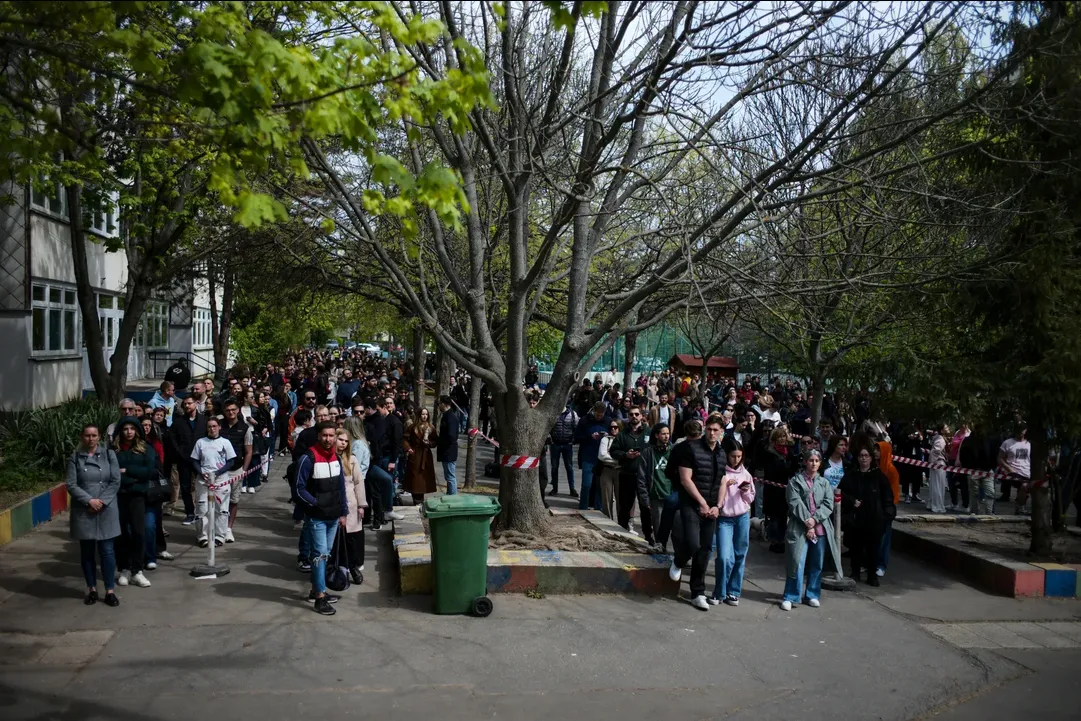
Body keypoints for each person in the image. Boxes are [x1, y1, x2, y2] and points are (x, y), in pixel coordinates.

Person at [670, 413, 726, 611]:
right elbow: (685, 479)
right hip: (691, 504)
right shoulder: (691, 449)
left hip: (711, 508)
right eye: (709, 429)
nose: (711, 433)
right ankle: (678, 561)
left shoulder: (721, 453)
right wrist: (701, 502)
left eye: (715, 430)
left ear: (721, 432)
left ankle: (697, 592)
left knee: (704, 550)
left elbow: (722, 481)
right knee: (693, 543)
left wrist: (717, 506)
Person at [294, 421, 349, 615]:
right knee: (319, 555)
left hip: (334, 517)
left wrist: (344, 512)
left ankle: (317, 589)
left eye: (331, 435)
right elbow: (299, 489)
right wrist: (316, 503)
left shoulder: (336, 458)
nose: (328, 439)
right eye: (325, 435)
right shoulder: (308, 458)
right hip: (316, 518)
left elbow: (341, 487)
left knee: (324, 554)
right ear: (318, 436)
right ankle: (320, 597)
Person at [66, 425, 122, 607]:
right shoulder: (75, 458)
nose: (91, 439)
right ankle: (91, 588)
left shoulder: (109, 455)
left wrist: (101, 502)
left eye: (94, 435)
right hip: (84, 510)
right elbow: (71, 484)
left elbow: (115, 481)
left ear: (99, 437)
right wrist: (89, 501)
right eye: (87, 435)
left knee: (107, 551)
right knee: (87, 552)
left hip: (106, 509)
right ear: (82, 437)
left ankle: (110, 590)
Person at [780, 448, 836, 611]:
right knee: (796, 561)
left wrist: (815, 519)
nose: (813, 463)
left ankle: (812, 593)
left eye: (817, 461)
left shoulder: (824, 483)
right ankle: (791, 595)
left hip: (820, 528)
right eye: (810, 460)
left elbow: (828, 503)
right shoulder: (795, 481)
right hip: (799, 526)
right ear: (805, 462)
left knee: (817, 563)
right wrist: (807, 521)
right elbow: (794, 502)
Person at [839, 442, 896, 586]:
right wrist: (851, 501)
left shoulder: (879, 477)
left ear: (871, 458)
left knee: (873, 549)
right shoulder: (851, 475)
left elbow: (888, 499)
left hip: (874, 519)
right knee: (856, 547)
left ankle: (872, 575)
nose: (863, 459)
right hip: (856, 519)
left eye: (866, 456)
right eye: (861, 456)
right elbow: (841, 492)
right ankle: (855, 572)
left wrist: (886, 517)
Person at [112, 417, 157, 589]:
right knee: (122, 533)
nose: (129, 432)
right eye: (125, 429)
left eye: (132, 428)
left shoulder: (145, 449)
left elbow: (149, 471)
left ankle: (137, 570)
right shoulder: (114, 451)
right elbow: (113, 474)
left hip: (138, 497)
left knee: (139, 532)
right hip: (119, 496)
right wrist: (131, 478)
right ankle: (124, 568)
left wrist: (128, 471)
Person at [711, 436, 755, 606]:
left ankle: (733, 591)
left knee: (739, 555)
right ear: (726, 455)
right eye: (733, 456)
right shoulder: (721, 471)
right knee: (724, 557)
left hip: (742, 517)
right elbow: (714, 494)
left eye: (739, 456)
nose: (736, 460)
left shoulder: (746, 474)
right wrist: (724, 486)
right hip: (724, 519)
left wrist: (744, 491)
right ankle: (719, 591)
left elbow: (751, 497)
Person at [191, 416, 235, 548]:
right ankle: (202, 536)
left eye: (214, 426)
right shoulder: (200, 442)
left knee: (221, 509)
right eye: (209, 426)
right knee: (202, 509)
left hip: (220, 480)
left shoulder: (225, 442)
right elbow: (194, 460)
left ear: (219, 427)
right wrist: (200, 472)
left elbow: (231, 461)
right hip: (203, 480)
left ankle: (219, 536)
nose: (212, 429)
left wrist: (217, 473)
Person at [637, 423, 676, 551]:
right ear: (656, 435)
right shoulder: (648, 453)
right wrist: (645, 498)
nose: (666, 436)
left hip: (672, 496)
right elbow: (641, 478)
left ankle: (680, 556)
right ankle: (661, 551)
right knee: (659, 530)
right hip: (656, 496)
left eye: (667, 434)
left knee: (676, 529)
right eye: (663, 434)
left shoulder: (674, 451)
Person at [219, 399, 253, 542]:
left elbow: (248, 451)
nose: (231, 412)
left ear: (238, 410)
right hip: (219, 470)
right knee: (218, 501)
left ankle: (228, 529)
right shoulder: (219, 425)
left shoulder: (245, 428)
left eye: (233, 409)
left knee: (233, 500)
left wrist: (244, 470)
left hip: (236, 469)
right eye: (228, 410)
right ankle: (218, 528)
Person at [337, 428, 367, 586]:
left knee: (352, 540)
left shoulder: (352, 459)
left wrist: (362, 504)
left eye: (346, 441)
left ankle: (353, 567)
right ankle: (341, 568)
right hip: (334, 505)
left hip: (351, 504)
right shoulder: (329, 458)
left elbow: (358, 483)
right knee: (337, 541)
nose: (343, 443)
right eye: (340, 439)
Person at [170, 395, 207, 525]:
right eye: (184, 404)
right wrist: (179, 452)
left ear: (196, 404)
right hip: (184, 459)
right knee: (185, 488)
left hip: (201, 460)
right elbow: (173, 438)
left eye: (189, 403)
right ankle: (189, 513)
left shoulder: (204, 420)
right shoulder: (179, 421)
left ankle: (202, 512)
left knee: (202, 485)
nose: (187, 406)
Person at [760, 426, 797, 554]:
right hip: (773, 490)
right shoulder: (770, 453)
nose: (782, 439)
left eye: (783, 436)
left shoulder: (789, 452)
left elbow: (792, 468)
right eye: (779, 437)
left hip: (786, 489)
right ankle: (775, 541)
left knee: (783, 516)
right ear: (774, 439)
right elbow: (773, 471)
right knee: (775, 517)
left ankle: (781, 539)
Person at [575, 402, 610, 511]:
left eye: (601, 414)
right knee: (586, 484)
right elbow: (576, 437)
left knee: (599, 486)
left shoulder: (608, 421)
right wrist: (589, 436)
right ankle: (583, 507)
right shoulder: (585, 421)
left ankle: (598, 508)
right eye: (597, 414)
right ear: (593, 411)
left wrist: (607, 436)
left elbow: (615, 435)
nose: (599, 416)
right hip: (588, 456)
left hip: (602, 457)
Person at [875, 440, 901, 577]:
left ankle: (881, 565)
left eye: (878, 450)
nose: (875, 452)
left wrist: (889, 508)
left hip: (886, 509)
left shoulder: (891, 470)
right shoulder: (874, 467)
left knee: (885, 538)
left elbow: (895, 492)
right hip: (874, 508)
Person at [404, 408, 438, 504]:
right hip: (415, 455)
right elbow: (404, 438)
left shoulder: (431, 427)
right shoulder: (412, 427)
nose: (424, 416)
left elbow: (435, 441)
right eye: (423, 414)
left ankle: (420, 500)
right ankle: (417, 500)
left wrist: (429, 443)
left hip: (426, 455)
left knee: (423, 479)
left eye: (426, 414)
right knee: (415, 479)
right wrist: (408, 448)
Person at [999, 424, 1031, 514]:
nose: (1020, 431)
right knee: (1024, 486)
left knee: (1027, 489)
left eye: (1022, 429)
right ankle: (1020, 508)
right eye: (1018, 429)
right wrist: (1008, 468)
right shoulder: (1007, 443)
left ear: (1025, 430)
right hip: (1014, 471)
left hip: (1028, 472)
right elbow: (1000, 458)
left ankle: (1020, 507)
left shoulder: (1029, 443)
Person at [548, 402, 579, 497]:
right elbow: (548, 427)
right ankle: (555, 488)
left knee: (569, 467)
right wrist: (550, 439)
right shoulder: (552, 413)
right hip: (555, 444)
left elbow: (577, 428)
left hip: (567, 444)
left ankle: (572, 488)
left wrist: (573, 440)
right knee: (554, 467)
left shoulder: (573, 414)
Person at [596, 418, 623, 521]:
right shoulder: (605, 439)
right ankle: (608, 520)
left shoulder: (623, 439)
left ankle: (622, 522)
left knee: (620, 498)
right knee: (606, 497)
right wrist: (617, 459)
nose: (613, 429)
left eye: (615, 427)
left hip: (620, 471)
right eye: (611, 427)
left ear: (620, 428)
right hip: (606, 470)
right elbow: (602, 455)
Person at [436, 395, 460, 495]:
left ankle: (453, 496)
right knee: (448, 476)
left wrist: (442, 441)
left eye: (439, 404)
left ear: (443, 404)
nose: (438, 406)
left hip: (449, 451)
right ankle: (450, 494)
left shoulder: (451, 417)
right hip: (446, 451)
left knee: (450, 476)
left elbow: (452, 436)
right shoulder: (446, 416)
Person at [926, 423, 949, 514]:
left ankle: (933, 504)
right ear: (942, 430)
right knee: (938, 486)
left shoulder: (939, 438)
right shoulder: (940, 439)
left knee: (935, 485)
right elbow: (935, 451)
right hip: (938, 464)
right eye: (946, 427)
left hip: (936, 464)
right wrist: (932, 462)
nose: (948, 428)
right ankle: (937, 506)